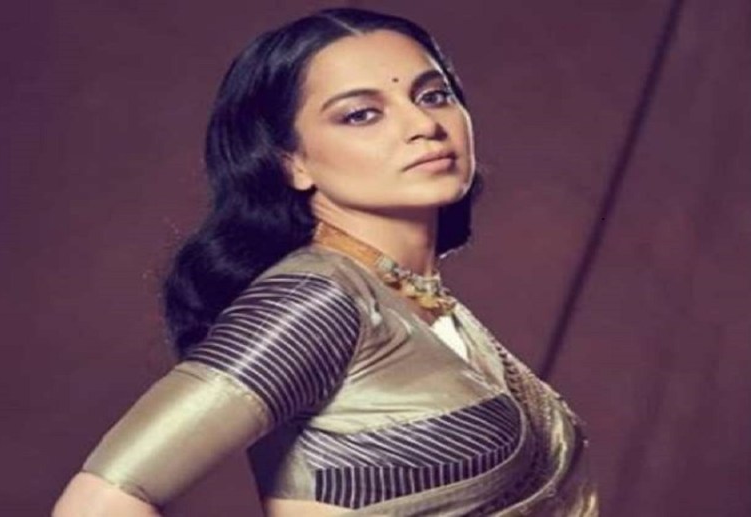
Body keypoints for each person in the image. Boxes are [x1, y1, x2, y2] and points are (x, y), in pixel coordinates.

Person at [53, 7, 598, 516]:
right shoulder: (316, 299)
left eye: (434, 95)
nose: (423, 124)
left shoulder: (422, 301)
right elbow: (99, 503)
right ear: (291, 162)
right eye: (361, 115)